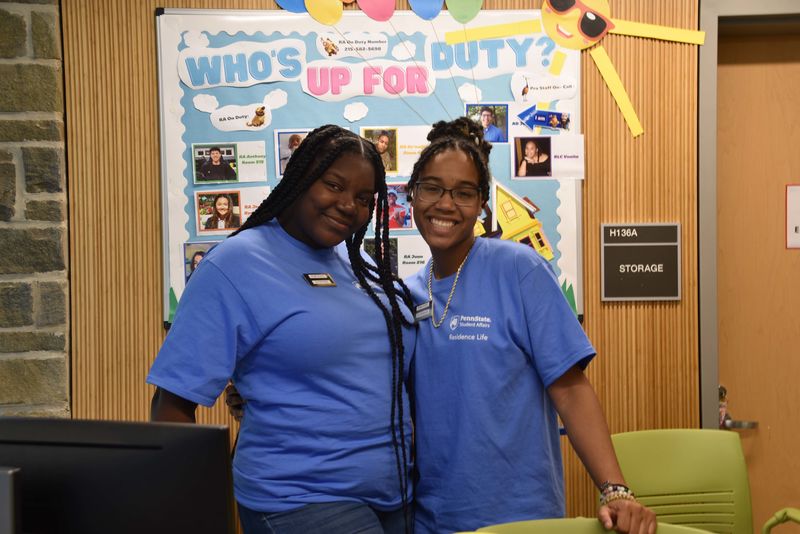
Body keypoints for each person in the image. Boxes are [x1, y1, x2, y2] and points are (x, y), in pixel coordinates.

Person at [148, 125, 416, 534]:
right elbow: (172, 404)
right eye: (334, 185)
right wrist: (192, 504)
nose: (348, 206)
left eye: (364, 199)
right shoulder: (234, 264)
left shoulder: (356, 264)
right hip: (300, 498)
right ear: (301, 175)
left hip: (394, 494)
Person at [404, 117, 657, 534]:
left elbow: (571, 391)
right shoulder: (410, 293)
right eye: (432, 187)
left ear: (482, 204)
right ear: (412, 195)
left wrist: (615, 490)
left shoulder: (520, 270)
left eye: (464, 192)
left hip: (522, 517)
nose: (445, 204)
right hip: (435, 519)